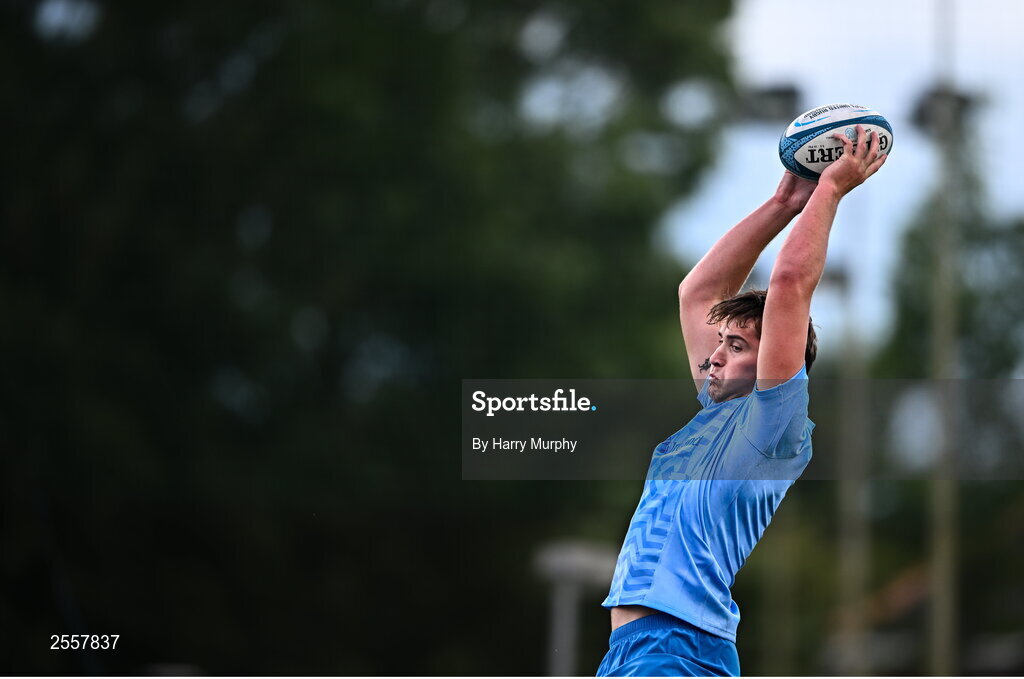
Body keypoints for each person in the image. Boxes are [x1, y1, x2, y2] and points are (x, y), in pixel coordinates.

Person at [596, 125, 887, 676]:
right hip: (636, 651)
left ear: (776, 361)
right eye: (721, 343)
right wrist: (784, 202)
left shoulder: (772, 422)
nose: (715, 355)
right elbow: (698, 294)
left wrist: (831, 190)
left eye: (736, 345)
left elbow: (791, 283)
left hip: (677, 648)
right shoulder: (718, 412)